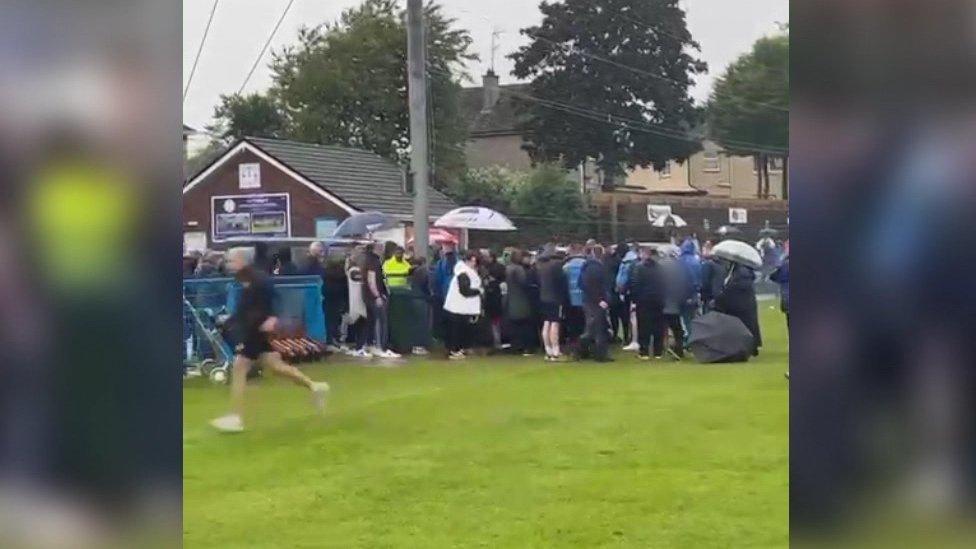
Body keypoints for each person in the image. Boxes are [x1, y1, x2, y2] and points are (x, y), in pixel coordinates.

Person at [210, 248, 330, 433]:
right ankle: (315, 386)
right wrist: (231, 321)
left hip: (256, 329)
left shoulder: (257, 279)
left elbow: (274, 298)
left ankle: (236, 417)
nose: (229, 264)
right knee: (275, 366)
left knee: (239, 367)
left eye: (232, 261)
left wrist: (272, 317)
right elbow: (246, 308)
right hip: (255, 327)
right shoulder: (245, 279)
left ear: (243, 260)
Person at [714, 260, 762, 356]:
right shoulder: (743, 272)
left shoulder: (740, 274)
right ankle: (752, 347)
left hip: (741, 305)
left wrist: (726, 287)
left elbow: (735, 288)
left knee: (745, 327)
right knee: (750, 326)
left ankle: (749, 347)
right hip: (746, 304)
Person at [443, 250, 483, 360]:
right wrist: (479, 291)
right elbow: (465, 291)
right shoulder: (463, 272)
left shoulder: (463, 271)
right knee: (457, 330)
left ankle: (457, 349)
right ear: (472, 260)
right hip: (459, 307)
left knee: (459, 329)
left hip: (460, 307)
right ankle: (454, 350)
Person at [363, 241, 400, 358]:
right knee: (381, 321)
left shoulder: (369, 260)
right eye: (381, 247)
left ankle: (371, 345)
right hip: (374, 296)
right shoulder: (373, 261)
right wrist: (377, 296)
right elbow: (371, 280)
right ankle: (381, 347)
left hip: (369, 296)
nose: (383, 249)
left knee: (372, 321)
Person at [629, 246, 666, 360]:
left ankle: (644, 351)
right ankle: (658, 351)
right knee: (658, 327)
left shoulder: (639, 268)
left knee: (644, 326)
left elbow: (635, 284)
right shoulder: (660, 268)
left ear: (644, 254)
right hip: (658, 301)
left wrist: (634, 300)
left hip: (643, 301)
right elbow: (663, 284)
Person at [579, 245, 613, 362]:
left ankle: (583, 350)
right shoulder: (597, 268)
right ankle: (599, 354)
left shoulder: (586, 267)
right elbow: (599, 286)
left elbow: (582, 284)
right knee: (599, 328)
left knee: (591, 327)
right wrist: (601, 300)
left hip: (588, 300)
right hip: (596, 301)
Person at [536, 245, 568, 361]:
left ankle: (548, 350)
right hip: (555, 298)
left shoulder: (540, 267)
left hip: (544, 297)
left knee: (546, 323)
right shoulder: (556, 266)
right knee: (555, 323)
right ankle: (556, 350)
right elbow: (562, 282)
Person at [658, 245, 688, 359]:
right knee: (677, 329)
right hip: (675, 302)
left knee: (661, 328)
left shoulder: (659, 266)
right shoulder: (680, 267)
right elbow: (684, 284)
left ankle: (661, 350)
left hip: (661, 302)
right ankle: (679, 349)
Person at [504, 250, 535, 355]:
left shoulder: (508, 268)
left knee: (514, 326)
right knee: (525, 325)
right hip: (521, 299)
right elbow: (524, 283)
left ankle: (516, 347)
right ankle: (526, 347)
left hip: (511, 299)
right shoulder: (519, 269)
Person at [345, 248, 369, 357]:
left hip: (358, 300)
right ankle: (359, 347)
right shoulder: (354, 271)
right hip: (358, 300)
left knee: (360, 323)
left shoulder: (353, 270)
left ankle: (359, 346)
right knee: (361, 323)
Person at [562, 243, 587, 350]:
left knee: (573, 326)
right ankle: (584, 346)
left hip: (570, 300)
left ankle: (574, 347)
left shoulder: (566, 267)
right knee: (585, 325)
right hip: (584, 299)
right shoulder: (586, 264)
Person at [678, 237, 703, 347]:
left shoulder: (681, 261)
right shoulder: (696, 261)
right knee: (693, 317)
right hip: (695, 293)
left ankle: (689, 340)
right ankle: (694, 338)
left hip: (684, 293)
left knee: (685, 318)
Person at [408, 256, 431, 355]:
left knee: (415, 324)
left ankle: (415, 346)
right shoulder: (422, 272)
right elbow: (426, 286)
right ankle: (419, 347)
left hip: (412, 298)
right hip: (421, 299)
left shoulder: (411, 272)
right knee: (421, 324)